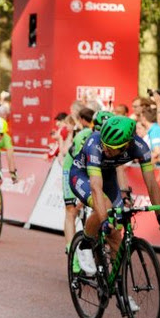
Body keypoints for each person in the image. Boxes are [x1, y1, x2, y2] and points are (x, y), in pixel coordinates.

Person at [70, 116, 160, 290]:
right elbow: (96, 188)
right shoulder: (94, 144)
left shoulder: (140, 148)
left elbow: (151, 183)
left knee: (115, 236)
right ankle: (85, 244)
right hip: (83, 175)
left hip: (109, 178)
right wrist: (104, 219)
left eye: (111, 148)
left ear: (127, 144)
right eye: (104, 144)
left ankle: (121, 292)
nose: (105, 148)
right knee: (105, 208)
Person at [60, 109, 102, 264]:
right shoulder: (83, 136)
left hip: (93, 171)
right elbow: (81, 168)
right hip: (72, 169)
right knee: (71, 210)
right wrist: (80, 195)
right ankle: (72, 251)